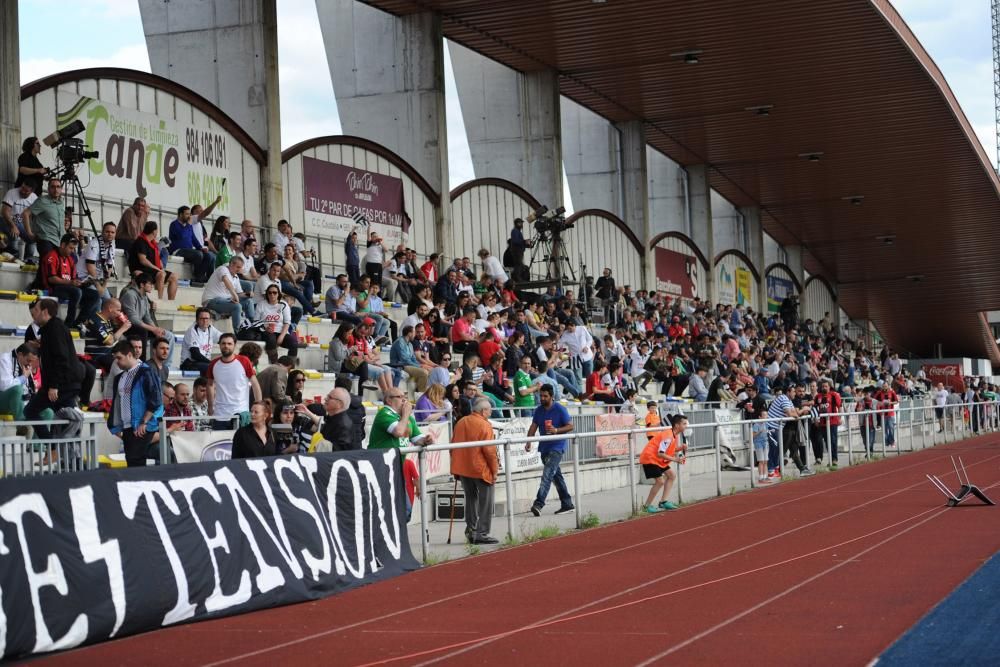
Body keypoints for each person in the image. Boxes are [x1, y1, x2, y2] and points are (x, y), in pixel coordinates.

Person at [23, 299, 86, 440]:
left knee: (31, 410)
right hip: (65, 384)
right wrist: (42, 346)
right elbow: (55, 353)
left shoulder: (54, 328)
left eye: (37, 312)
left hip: (61, 385)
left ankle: (53, 447)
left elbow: (61, 358)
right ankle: (62, 455)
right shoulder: (52, 328)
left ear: (45, 312)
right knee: (66, 421)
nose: (34, 317)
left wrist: (53, 386)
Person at [451, 397, 500, 545]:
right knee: (486, 501)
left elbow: (453, 445)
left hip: (464, 468)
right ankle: (482, 532)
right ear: (484, 411)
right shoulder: (485, 425)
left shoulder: (461, 422)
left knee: (471, 499)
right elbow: (490, 452)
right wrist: (495, 470)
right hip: (480, 468)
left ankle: (471, 530)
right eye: (490, 410)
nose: (491, 413)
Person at [108, 339, 164, 467]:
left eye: (119, 358)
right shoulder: (120, 377)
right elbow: (118, 403)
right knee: (131, 462)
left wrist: (144, 422)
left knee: (136, 463)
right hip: (127, 427)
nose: (117, 362)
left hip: (141, 426)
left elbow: (155, 399)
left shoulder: (146, 372)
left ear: (129, 355)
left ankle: (141, 487)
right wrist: (116, 425)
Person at [525, 384, 575, 516]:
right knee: (556, 477)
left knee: (547, 475)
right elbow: (533, 426)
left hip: (557, 447)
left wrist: (556, 430)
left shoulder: (560, 409)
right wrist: (528, 441)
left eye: (545, 396)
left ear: (552, 397)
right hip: (544, 447)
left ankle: (538, 504)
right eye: (540, 395)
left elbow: (570, 426)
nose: (542, 398)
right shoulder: (539, 410)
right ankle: (567, 504)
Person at [40, 233, 100, 329]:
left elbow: (73, 279)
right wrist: (71, 283)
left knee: (94, 295)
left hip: (69, 287)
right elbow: (52, 279)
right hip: (54, 288)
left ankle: (78, 322)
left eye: (74, 249)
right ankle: (68, 323)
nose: (72, 251)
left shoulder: (70, 259)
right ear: (63, 245)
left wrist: (83, 282)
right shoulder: (51, 256)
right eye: (71, 248)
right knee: (76, 292)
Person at [206, 333, 261, 429]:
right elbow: (209, 385)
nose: (226, 346)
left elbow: (255, 384)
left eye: (229, 343)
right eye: (223, 343)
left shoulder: (244, 361)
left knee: (241, 444)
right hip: (220, 414)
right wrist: (210, 407)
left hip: (241, 413)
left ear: (234, 345)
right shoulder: (213, 364)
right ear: (219, 345)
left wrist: (259, 406)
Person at [639, 413, 689, 512]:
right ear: (677, 425)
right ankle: (646, 507)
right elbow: (661, 453)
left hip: (657, 459)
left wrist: (681, 448)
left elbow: (669, 450)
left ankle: (663, 502)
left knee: (672, 475)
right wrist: (675, 459)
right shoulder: (668, 435)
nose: (686, 426)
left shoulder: (674, 435)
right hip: (650, 458)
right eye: (684, 424)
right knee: (660, 481)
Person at [119, 272, 167, 358]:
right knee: (142, 330)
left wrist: (156, 329)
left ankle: (162, 362)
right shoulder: (130, 295)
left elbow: (147, 317)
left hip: (137, 325)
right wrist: (152, 329)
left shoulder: (144, 296)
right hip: (126, 326)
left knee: (166, 334)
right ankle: (142, 360)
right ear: (142, 284)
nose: (152, 286)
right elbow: (132, 319)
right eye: (150, 283)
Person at [127, 220, 177, 301]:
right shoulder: (141, 241)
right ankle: (159, 300)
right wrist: (157, 269)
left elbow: (156, 258)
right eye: (157, 230)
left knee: (174, 276)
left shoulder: (153, 243)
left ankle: (171, 301)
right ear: (154, 231)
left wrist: (161, 267)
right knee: (161, 274)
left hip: (151, 270)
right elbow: (143, 260)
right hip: (141, 269)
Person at [203, 256, 254, 331]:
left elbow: (240, 294)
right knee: (237, 306)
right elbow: (226, 280)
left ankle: (251, 326)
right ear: (231, 264)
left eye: (240, 267)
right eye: (238, 267)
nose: (239, 270)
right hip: (212, 301)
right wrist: (234, 294)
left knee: (248, 302)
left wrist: (248, 294)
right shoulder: (222, 269)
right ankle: (237, 332)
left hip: (226, 301)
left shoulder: (235, 276)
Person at [298, 387, 357, 451]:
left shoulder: (343, 426)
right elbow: (325, 429)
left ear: (339, 404)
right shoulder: (335, 418)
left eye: (330, 397)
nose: (325, 399)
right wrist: (306, 412)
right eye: (327, 396)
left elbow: (338, 453)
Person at [168, 205, 215, 282]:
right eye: (187, 214)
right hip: (178, 251)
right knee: (198, 254)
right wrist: (188, 225)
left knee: (208, 256)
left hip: (189, 251)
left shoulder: (188, 226)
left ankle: (202, 276)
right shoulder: (174, 224)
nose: (189, 216)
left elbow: (194, 239)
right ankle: (197, 276)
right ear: (180, 215)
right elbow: (182, 236)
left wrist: (201, 247)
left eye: (190, 214)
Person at [256, 284, 297, 364]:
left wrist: (281, 336)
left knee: (294, 343)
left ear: (278, 294)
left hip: (281, 331)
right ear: (267, 294)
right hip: (266, 330)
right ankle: (274, 364)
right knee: (271, 340)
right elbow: (256, 321)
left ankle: (289, 366)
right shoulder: (261, 304)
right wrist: (265, 327)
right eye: (270, 293)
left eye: (274, 292)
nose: (272, 295)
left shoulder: (283, 304)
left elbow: (287, 322)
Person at [0, 342, 39, 421]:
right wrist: (23, 377)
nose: (30, 364)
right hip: (3, 399)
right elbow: (5, 386)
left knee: (47, 412)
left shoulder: (26, 364)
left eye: (32, 361)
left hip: (23, 402)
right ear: (20, 354)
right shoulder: (4, 359)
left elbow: (29, 390)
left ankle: (42, 434)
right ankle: (21, 425)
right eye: (28, 360)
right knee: (17, 389)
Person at [2, 180, 38, 260]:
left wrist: (32, 232)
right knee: (14, 235)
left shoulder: (34, 198)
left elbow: (37, 216)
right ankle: (13, 257)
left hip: (21, 223)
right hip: (7, 221)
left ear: (32, 192)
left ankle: (28, 260)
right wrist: (13, 226)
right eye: (22, 188)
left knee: (32, 239)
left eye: (26, 191)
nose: (22, 191)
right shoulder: (12, 193)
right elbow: (5, 212)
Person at [389, 325, 429, 393]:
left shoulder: (410, 344)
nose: (415, 335)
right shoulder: (399, 342)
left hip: (407, 364)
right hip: (400, 365)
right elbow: (404, 360)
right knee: (424, 372)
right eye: (414, 332)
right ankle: (421, 394)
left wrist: (420, 365)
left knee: (429, 370)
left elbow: (413, 358)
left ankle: (424, 391)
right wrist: (419, 366)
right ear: (409, 333)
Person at [180, 308, 222, 373]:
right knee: (213, 368)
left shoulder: (210, 328)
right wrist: (212, 363)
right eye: (202, 318)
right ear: (197, 320)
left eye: (207, 318)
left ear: (210, 319)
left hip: (203, 362)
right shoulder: (192, 331)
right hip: (189, 363)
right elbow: (195, 355)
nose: (205, 321)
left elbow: (223, 338)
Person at [815, 379, 843, 467]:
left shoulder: (834, 395)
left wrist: (840, 417)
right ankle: (831, 459)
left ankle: (834, 459)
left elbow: (840, 406)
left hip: (833, 422)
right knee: (827, 442)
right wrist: (816, 419)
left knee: (833, 440)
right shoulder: (817, 396)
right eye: (823, 386)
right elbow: (815, 409)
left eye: (826, 386)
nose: (824, 388)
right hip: (822, 423)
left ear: (829, 387)